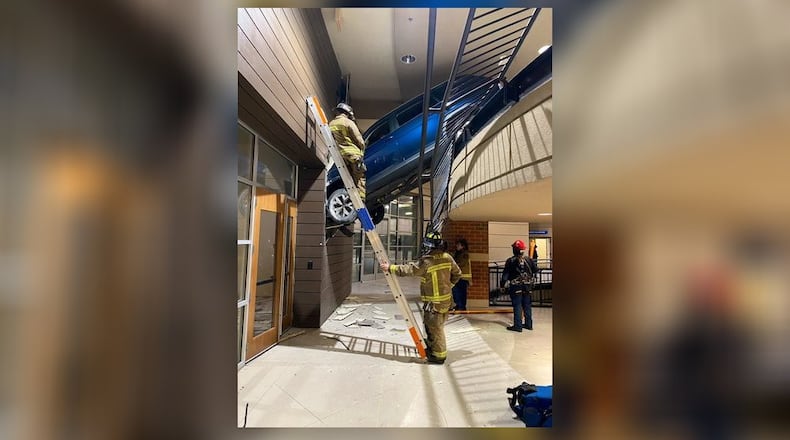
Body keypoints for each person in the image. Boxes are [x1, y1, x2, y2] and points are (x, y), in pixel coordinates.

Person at [380, 230, 461, 364]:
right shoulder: (447, 257)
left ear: (429, 246)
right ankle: (433, 349)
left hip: (434, 304)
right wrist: (448, 286)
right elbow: (458, 274)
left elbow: (409, 269)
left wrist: (390, 267)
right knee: (435, 327)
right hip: (446, 301)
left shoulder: (427, 261)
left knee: (435, 329)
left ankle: (439, 356)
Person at [329, 102, 366, 198]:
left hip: (341, 156)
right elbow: (359, 140)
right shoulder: (348, 123)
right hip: (353, 154)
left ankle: (349, 199)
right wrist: (362, 150)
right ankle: (361, 201)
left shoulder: (331, 124)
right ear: (347, 113)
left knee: (348, 180)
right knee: (359, 179)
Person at [500, 239, 538, 332]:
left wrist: (502, 285)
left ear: (514, 250)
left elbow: (505, 275)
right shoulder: (529, 259)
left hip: (516, 287)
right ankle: (529, 324)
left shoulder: (510, 261)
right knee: (527, 305)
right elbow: (535, 270)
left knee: (517, 305)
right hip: (527, 286)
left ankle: (518, 326)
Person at [451, 238, 472, 311]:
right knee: (456, 292)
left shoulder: (464, 254)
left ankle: (461, 307)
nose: (457, 246)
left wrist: (451, 265)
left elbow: (460, 264)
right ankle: (458, 305)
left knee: (460, 293)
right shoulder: (458, 253)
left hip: (462, 278)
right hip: (459, 277)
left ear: (463, 246)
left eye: (458, 244)